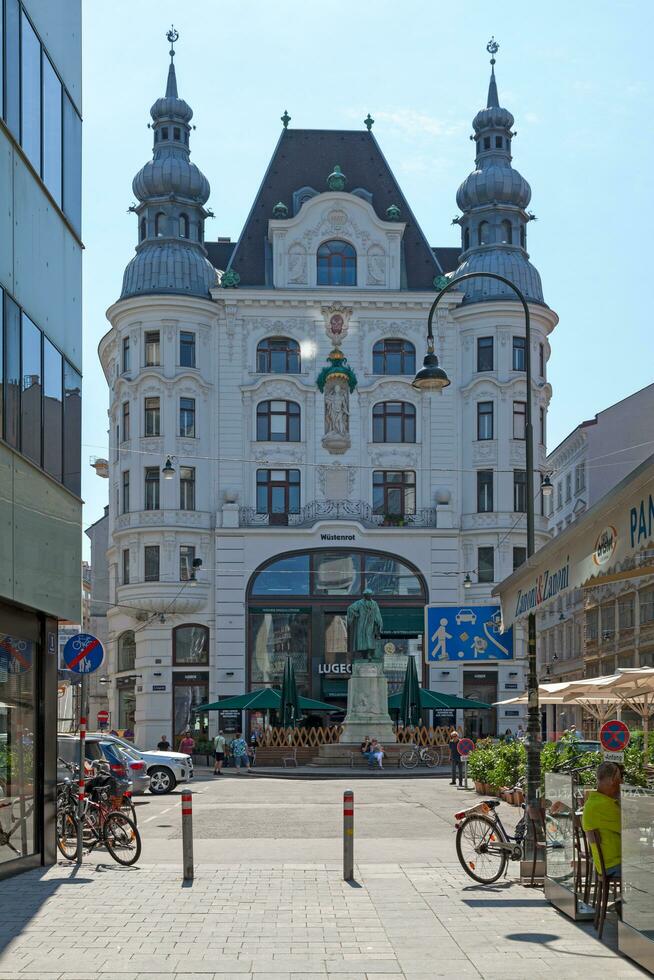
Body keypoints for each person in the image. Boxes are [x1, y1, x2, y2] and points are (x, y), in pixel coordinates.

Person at [582, 760, 622, 877]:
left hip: (607, 864)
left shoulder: (594, 802)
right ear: (611, 780)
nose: (621, 782)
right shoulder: (604, 805)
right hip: (613, 865)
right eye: (619, 778)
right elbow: (628, 829)